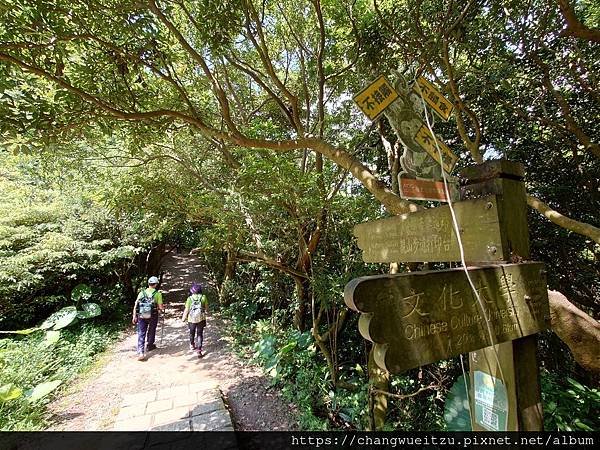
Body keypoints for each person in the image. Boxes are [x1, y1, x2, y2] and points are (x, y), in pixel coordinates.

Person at [132, 276, 164, 361]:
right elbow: (160, 307)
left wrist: (134, 315)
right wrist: (161, 308)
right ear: (156, 284)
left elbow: (136, 304)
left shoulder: (142, 293)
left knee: (141, 332)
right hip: (153, 315)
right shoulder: (158, 294)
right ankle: (150, 345)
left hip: (141, 315)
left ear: (148, 284)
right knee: (152, 329)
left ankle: (141, 352)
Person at [181, 282, 208, 358]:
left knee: (191, 332)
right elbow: (206, 308)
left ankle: (192, 344)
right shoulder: (203, 297)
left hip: (191, 319)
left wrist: (183, 318)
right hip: (201, 318)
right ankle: (199, 350)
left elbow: (186, 310)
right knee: (200, 334)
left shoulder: (189, 298)